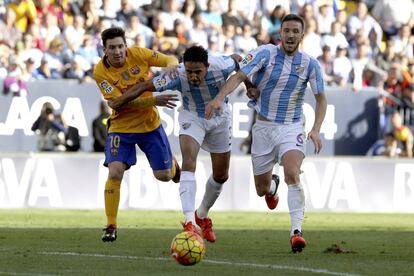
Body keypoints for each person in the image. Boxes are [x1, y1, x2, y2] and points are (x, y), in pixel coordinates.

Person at [205, 14, 327, 253]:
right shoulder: (264, 53)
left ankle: (296, 232)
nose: (291, 35)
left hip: (291, 128)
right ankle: (272, 187)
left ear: (302, 35)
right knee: (261, 189)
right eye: (286, 31)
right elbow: (240, 75)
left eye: (295, 31)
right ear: (280, 34)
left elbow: (321, 99)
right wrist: (220, 97)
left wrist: (315, 129)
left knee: (293, 172)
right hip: (263, 128)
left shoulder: (310, 64)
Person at [108, 45, 254, 243]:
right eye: (189, 71)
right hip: (191, 117)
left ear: (207, 66)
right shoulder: (176, 75)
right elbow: (143, 86)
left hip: (220, 118)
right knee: (188, 163)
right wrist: (119, 101)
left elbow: (238, 60)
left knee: (221, 175)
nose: (193, 76)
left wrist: (250, 85)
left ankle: (201, 215)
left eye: (198, 72)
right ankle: (188, 223)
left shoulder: (221, 65)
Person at [92, 27, 181, 242]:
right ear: (104, 50)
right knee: (114, 173)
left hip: (149, 125)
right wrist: (153, 99)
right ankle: (111, 225)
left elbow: (171, 59)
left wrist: (170, 69)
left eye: (121, 46)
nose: (118, 51)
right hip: (121, 128)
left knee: (165, 176)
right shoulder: (100, 72)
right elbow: (117, 102)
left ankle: (174, 166)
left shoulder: (139, 54)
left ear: (126, 46)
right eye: (112, 48)